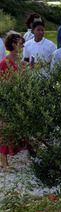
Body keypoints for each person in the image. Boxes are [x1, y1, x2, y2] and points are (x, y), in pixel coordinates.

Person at [0, 34, 26, 168]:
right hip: (7, 101)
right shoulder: (4, 63)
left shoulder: (20, 61)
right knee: (5, 131)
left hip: (19, 99)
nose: (23, 46)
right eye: (21, 44)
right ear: (14, 44)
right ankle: (4, 164)